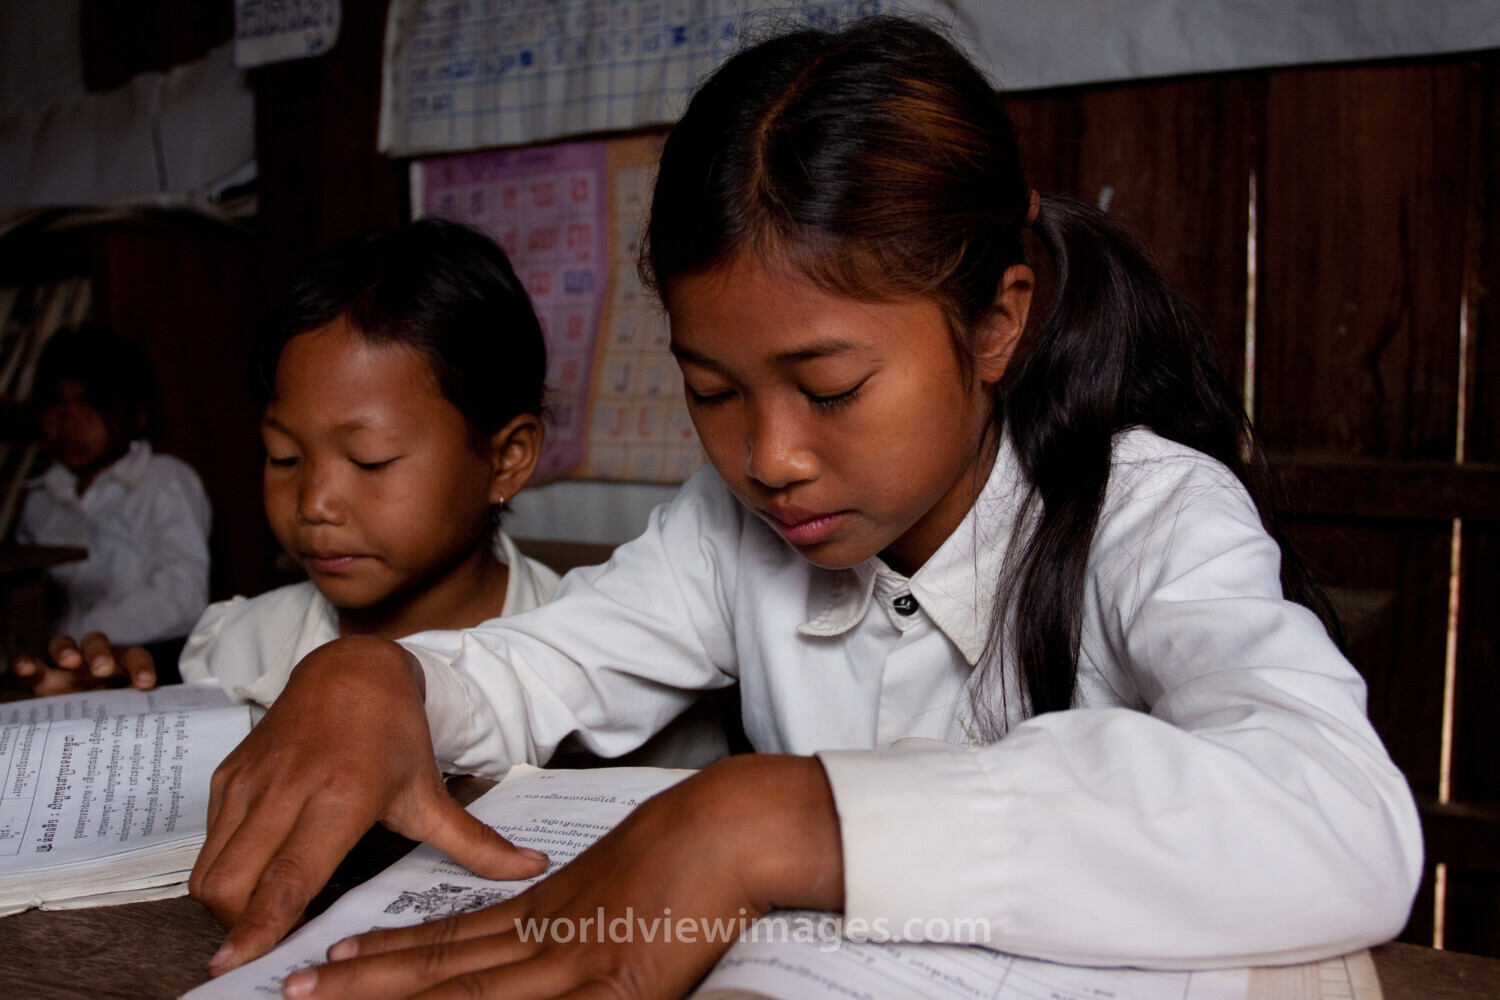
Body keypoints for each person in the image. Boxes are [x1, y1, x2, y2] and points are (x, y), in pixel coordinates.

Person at [192, 17, 1423, 998]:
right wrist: (390, 681)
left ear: (997, 318)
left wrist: (783, 814)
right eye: (712, 390)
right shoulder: (729, 533)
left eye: (830, 387)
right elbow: (546, 660)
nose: (770, 457)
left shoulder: (1145, 511)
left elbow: (1344, 820)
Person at [12, 219, 561, 707]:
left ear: (506, 458)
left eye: (369, 461)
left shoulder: (581, 652)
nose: (313, 503)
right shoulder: (239, 650)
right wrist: (107, 722)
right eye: (285, 457)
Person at [11, 323, 210, 692]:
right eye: (57, 403)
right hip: (56, 672)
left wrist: (73, 636)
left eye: (88, 403)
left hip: (145, 670)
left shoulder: (164, 482)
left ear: (134, 413)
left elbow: (182, 598)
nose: (70, 422)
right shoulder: (40, 496)